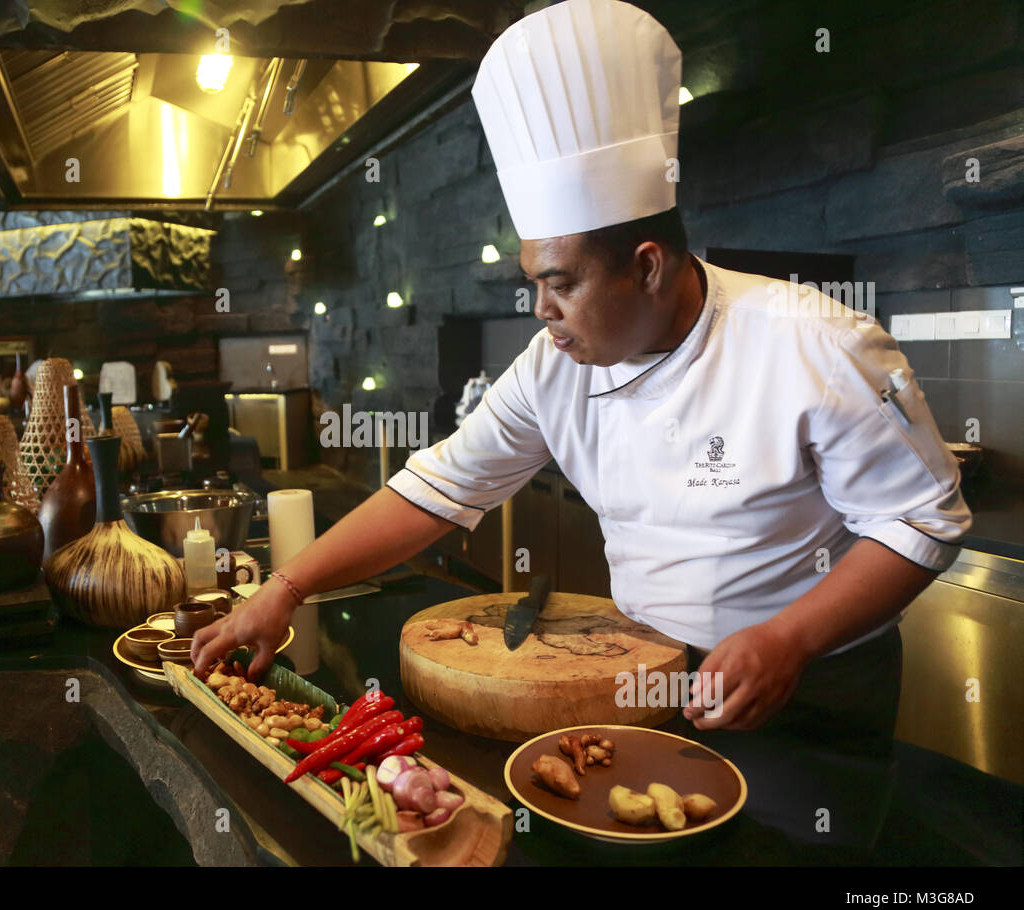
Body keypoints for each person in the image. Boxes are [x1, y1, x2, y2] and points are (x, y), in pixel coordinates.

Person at [192, 0, 970, 737]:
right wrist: (286, 589)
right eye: (533, 283)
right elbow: (435, 489)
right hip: (638, 671)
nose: (541, 310)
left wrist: (789, 640)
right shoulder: (552, 368)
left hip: (814, 685)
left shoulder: (814, 340)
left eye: (560, 284)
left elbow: (920, 518)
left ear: (649, 267)